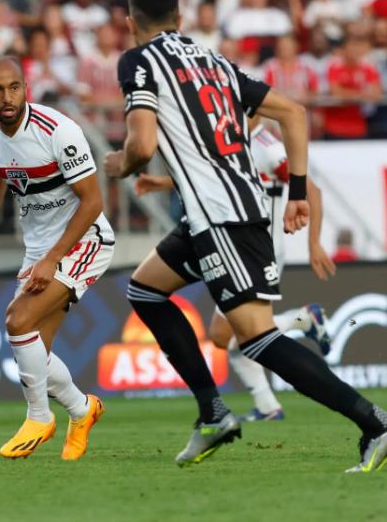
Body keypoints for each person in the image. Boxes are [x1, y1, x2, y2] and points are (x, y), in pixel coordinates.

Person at [104, 0, 387, 472]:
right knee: (144, 291)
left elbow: (140, 145)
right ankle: (213, 413)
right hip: (227, 209)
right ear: (180, 19)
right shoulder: (217, 64)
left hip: (222, 216)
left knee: (256, 338)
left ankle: (375, 423)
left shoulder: (138, 61)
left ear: (131, 23)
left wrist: (121, 163)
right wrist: (300, 191)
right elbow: (294, 112)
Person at [0, 56, 114, 461]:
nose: (7, 97)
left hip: (84, 240)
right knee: (35, 356)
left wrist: (51, 260)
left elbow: (93, 201)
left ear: (26, 87)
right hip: (39, 247)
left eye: (14, 87)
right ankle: (83, 411)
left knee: (17, 320)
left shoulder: (58, 130)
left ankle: (39, 417)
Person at [134, 114, 336, 421]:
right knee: (227, 339)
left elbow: (312, 190)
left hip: (257, 251)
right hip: (234, 246)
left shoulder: (266, 147)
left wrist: (314, 244)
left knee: (238, 335)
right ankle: (269, 406)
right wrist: (162, 183)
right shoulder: (231, 142)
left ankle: (304, 321)